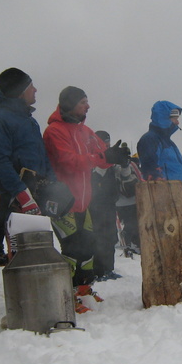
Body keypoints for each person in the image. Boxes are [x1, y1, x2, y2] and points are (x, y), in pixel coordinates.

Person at [43, 86, 130, 288]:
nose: (88, 106)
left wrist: (115, 156)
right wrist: (102, 157)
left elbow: (101, 156)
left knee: (89, 246)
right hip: (63, 202)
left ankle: (84, 288)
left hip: (84, 201)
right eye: (83, 102)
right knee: (73, 249)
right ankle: (67, 292)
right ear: (70, 104)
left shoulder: (85, 131)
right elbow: (69, 161)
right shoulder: (55, 130)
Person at [0, 68, 55, 260]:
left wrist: (53, 184)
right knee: (22, 254)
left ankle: (43, 289)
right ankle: (24, 290)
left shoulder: (30, 121)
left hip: (36, 193)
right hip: (14, 197)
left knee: (41, 249)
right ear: (21, 91)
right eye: (31, 86)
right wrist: (22, 195)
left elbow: (42, 156)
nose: (36, 90)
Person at [137, 100, 182, 206]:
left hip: (178, 196)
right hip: (166, 200)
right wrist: (161, 196)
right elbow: (150, 170)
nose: (177, 122)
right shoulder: (150, 139)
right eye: (174, 118)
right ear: (164, 118)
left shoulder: (168, 142)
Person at [88, 130, 123, 280]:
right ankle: (98, 270)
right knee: (98, 236)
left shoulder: (110, 160)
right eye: (104, 142)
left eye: (108, 142)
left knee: (110, 236)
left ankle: (108, 268)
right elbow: (93, 179)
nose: (107, 145)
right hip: (95, 203)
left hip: (109, 202)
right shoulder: (93, 158)